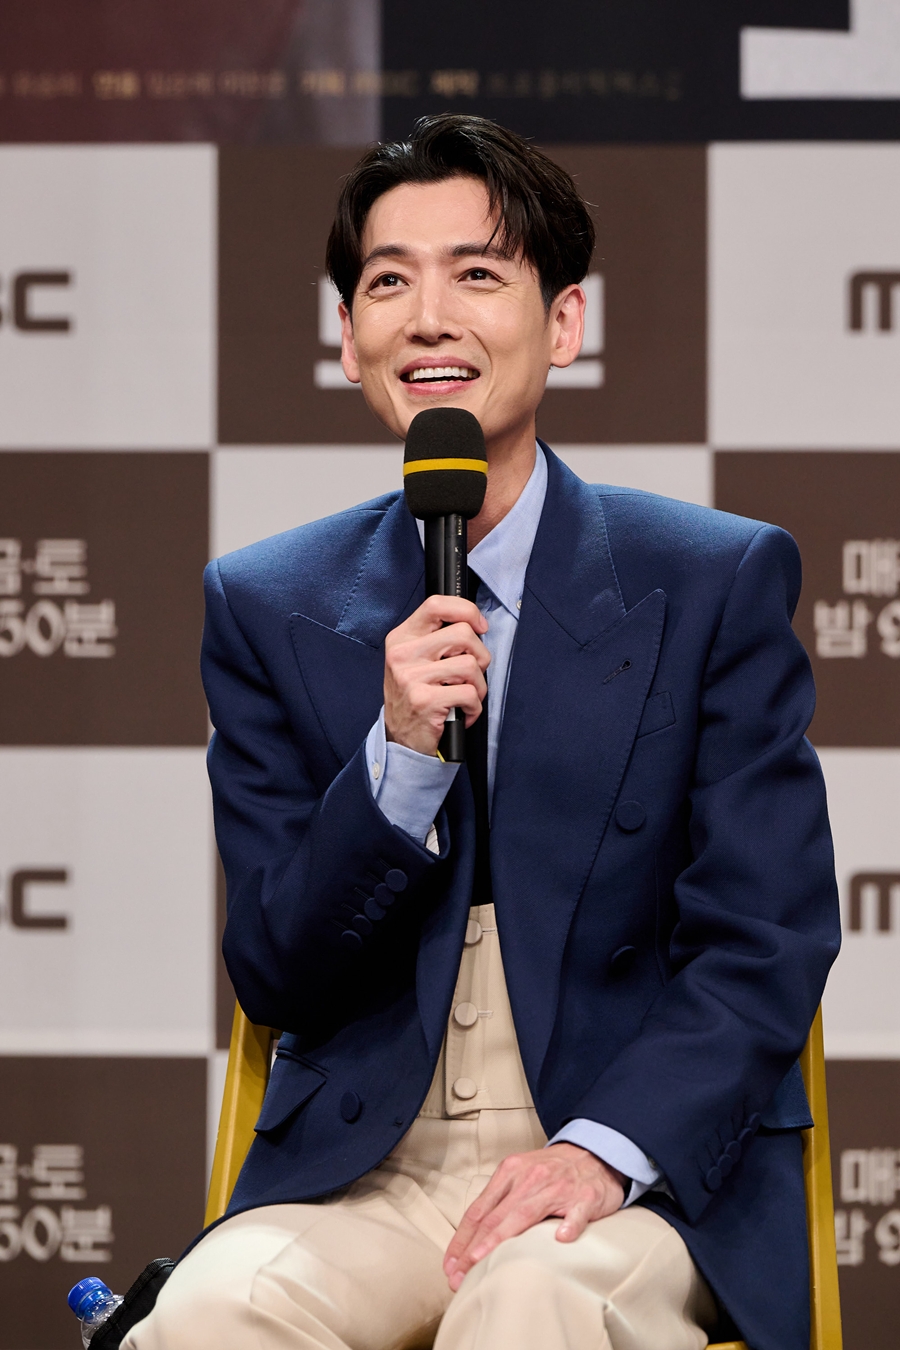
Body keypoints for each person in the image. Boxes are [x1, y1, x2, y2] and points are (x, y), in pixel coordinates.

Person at [127, 115, 840, 1350]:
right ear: (346, 337)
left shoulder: (710, 578)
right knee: (210, 1312)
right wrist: (396, 761)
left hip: (632, 1168)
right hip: (374, 1173)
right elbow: (277, 970)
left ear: (562, 323)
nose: (429, 318)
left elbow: (765, 936)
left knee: (528, 1299)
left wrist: (600, 1152)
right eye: (388, 282)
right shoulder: (266, 603)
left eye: (476, 273)